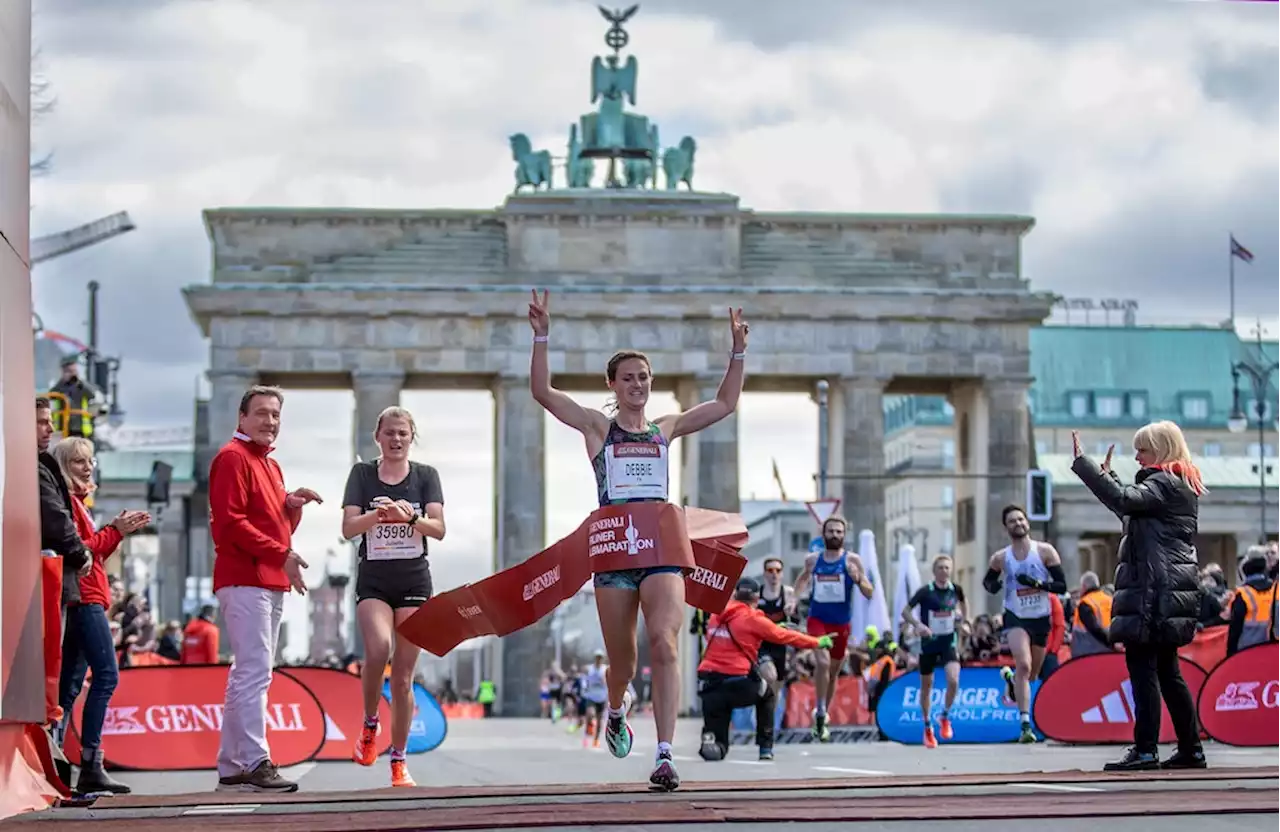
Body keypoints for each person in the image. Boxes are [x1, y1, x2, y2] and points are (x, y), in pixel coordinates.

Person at [527, 288, 748, 791]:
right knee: (622, 663)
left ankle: (666, 754)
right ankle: (616, 706)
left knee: (665, 643)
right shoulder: (597, 430)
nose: (637, 385)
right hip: (613, 553)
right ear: (612, 384)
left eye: (644, 377)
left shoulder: (664, 429)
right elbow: (543, 393)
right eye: (627, 378)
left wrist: (737, 351)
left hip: (661, 550)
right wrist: (542, 335)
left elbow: (725, 403)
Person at [1070, 422, 1205, 771]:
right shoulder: (1177, 485)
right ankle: (1191, 749)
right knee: (1167, 672)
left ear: (1160, 449)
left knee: (1144, 670)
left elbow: (1125, 500)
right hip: (1168, 591)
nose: (1137, 455)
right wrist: (1108, 476)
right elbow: (1128, 507)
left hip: (1153, 591)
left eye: (1142, 449)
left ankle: (1146, 749)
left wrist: (1085, 466)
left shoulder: (1162, 483)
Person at [210, 385, 321, 793]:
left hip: (265, 578)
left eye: (275, 415)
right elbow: (231, 525)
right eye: (260, 413)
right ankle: (256, 760)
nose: (269, 422)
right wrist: (282, 554)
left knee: (248, 672)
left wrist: (291, 507)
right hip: (244, 578)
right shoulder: (232, 459)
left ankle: (232, 761)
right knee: (254, 672)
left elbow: (277, 527)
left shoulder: (270, 467)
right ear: (241, 418)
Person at [342, 405, 444, 787]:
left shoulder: (426, 476)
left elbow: (438, 529)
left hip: (415, 582)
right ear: (378, 437)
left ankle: (398, 760)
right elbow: (349, 527)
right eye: (390, 433)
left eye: (403, 433)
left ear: (411, 437)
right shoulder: (363, 475)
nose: (396, 439)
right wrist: (379, 517)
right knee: (378, 648)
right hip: (375, 580)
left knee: (403, 677)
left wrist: (410, 519)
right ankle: (370, 724)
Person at [50, 437, 149, 794]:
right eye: (79, 462)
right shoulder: (69, 506)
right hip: (85, 600)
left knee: (70, 687)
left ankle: (60, 762)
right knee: (105, 676)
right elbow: (80, 554)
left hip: (84, 600)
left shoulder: (76, 504)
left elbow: (90, 553)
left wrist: (113, 534)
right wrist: (114, 532)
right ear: (64, 466)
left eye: (89, 461)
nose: (87, 467)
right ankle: (89, 761)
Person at [696, 577, 832, 762]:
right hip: (738, 683)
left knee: (720, 736)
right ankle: (765, 747)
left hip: (709, 684)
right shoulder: (753, 618)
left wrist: (769, 628)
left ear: (736, 594)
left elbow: (738, 631)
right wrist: (817, 642)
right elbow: (785, 637)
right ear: (756, 598)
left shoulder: (716, 616)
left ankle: (713, 740)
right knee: (767, 695)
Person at [982, 504, 1067, 743]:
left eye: (1021, 520)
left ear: (1027, 523)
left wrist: (1037, 584)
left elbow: (1061, 585)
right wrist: (995, 586)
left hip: (1040, 616)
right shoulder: (1001, 557)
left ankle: (1011, 683)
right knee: (1024, 665)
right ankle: (1025, 725)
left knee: (1032, 674)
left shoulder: (1045, 551)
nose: (1018, 524)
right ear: (1006, 528)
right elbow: (988, 583)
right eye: (1012, 521)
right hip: (1015, 615)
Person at [790, 516, 873, 742]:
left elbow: (869, 592)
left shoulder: (852, 560)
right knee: (823, 663)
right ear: (823, 534)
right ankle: (819, 708)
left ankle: (822, 712)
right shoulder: (813, 560)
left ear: (844, 535)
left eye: (839, 532)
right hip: (818, 620)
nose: (835, 535)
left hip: (841, 623)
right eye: (831, 531)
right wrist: (794, 599)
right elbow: (802, 580)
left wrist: (858, 580)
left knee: (834, 671)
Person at [900, 555, 966, 749]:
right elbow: (905, 611)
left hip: (948, 643)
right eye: (940, 568)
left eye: (947, 568)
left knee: (953, 680)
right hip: (928, 644)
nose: (944, 571)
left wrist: (964, 621)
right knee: (927, 686)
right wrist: (918, 625)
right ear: (934, 570)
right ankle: (928, 726)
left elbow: (964, 603)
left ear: (951, 570)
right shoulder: (925, 591)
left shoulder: (956, 590)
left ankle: (944, 716)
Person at [36, 397, 91, 615]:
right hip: (57, 577)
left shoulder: (42, 464)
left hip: (63, 578)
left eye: (90, 461)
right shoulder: (38, 468)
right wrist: (82, 554)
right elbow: (57, 520)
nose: (50, 428)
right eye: (42, 422)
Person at [754, 557, 796, 760]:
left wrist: (791, 613)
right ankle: (764, 733)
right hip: (762, 647)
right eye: (770, 570)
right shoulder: (758, 594)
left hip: (780, 647)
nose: (774, 574)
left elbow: (797, 621)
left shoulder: (787, 593)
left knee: (774, 693)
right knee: (768, 676)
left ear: (782, 573)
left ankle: (767, 727)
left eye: (778, 570)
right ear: (764, 573)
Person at [1226, 550, 1277, 657]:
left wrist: (1230, 654)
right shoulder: (1275, 590)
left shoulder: (1243, 594)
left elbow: (1235, 629)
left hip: (1247, 651)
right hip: (1273, 649)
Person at [1071, 571, 1115, 658]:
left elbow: (1094, 627)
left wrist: (1109, 641)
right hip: (1111, 653)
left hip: (1088, 655)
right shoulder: (1110, 600)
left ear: (1084, 587)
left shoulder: (1085, 603)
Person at [580, 652, 609, 747]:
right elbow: (583, 672)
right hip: (591, 696)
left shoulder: (605, 669)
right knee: (590, 714)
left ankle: (596, 740)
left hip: (601, 697)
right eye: (597, 658)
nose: (599, 660)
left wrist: (605, 681)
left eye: (600, 658)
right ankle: (588, 731)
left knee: (600, 720)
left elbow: (610, 678)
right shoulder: (590, 668)